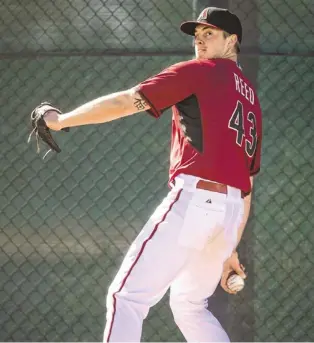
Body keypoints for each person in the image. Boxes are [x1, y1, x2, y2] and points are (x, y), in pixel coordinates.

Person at [44, 7, 262, 342]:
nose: (200, 42)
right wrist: (229, 245)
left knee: (126, 296)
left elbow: (126, 102)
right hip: (228, 212)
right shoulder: (250, 99)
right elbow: (246, 186)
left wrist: (61, 121)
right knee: (190, 305)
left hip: (196, 201)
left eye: (210, 34)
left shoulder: (200, 72)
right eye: (197, 36)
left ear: (232, 40)